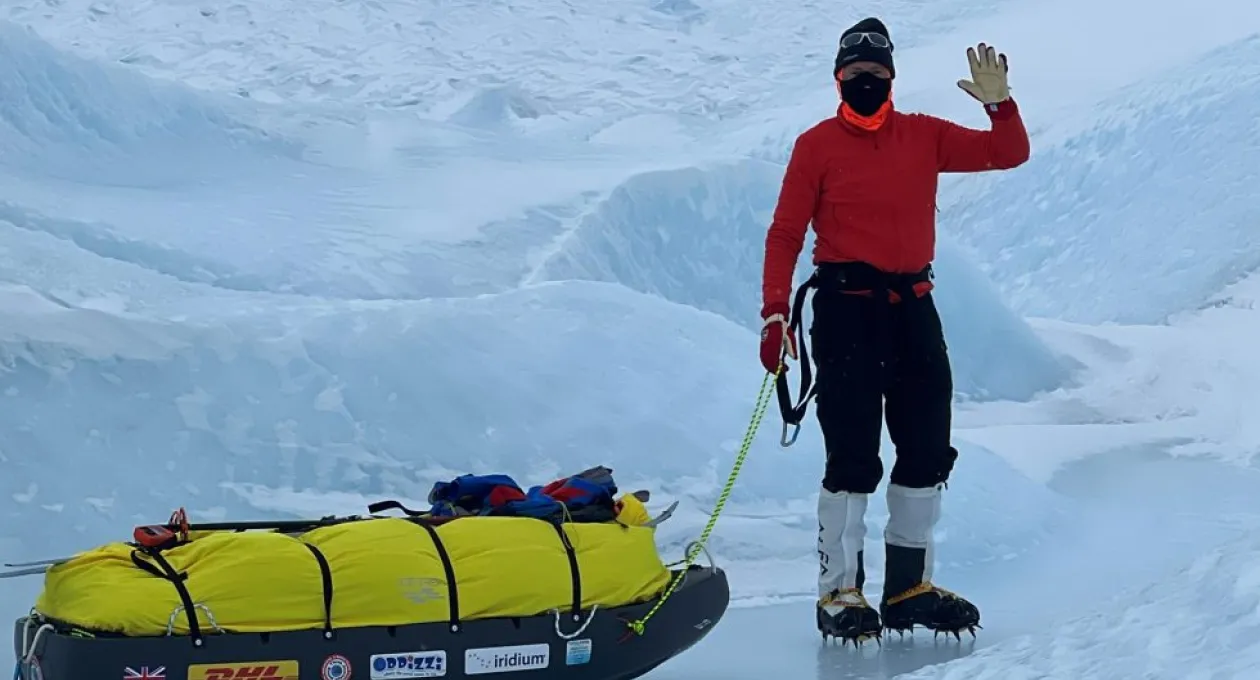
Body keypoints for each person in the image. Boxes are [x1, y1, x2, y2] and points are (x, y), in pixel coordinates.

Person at [757, 17, 1030, 644]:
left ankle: (908, 589)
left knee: (928, 448)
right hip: (847, 310)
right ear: (837, 80)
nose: (866, 84)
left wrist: (1001, 105)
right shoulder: (815, 145)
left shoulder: (925, 136)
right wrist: (776, 313)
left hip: (913, 308)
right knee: (852, 455)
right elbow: (785, 233)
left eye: (876, 75)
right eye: (855, 75)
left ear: (892, 80)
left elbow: (1007, 152)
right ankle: (839, 593)